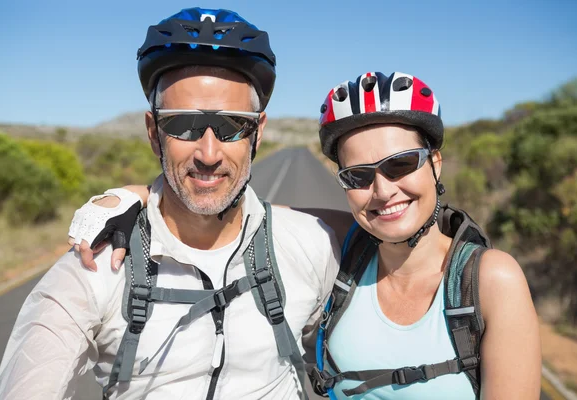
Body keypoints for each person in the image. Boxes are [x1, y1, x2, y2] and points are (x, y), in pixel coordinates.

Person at [70, 71, 542, 399]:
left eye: (401, 165)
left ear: (434, 163)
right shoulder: (347, 245)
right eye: (357, 176)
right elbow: (238, 210)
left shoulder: (488, 281)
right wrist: (125, 197)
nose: (382, 191)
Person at [0, 8, 339, 400]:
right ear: (153, 133)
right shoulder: (98, 264)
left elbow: (403, 234)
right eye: (182, 124)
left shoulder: (311, 245)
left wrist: (132, 191)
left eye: (232, 126)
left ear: (256, 133)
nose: (208, 153)